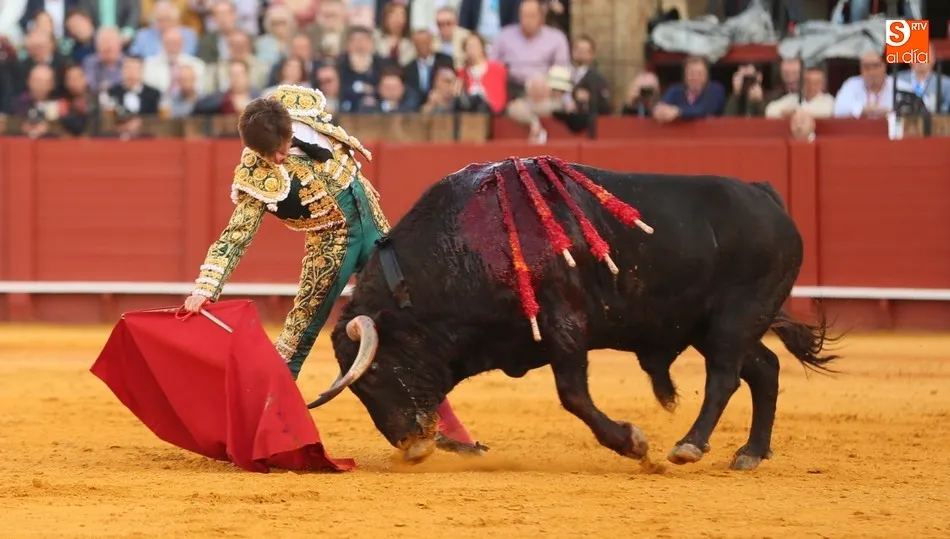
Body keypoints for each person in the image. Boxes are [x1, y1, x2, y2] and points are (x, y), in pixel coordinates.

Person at [182, 85, 479, 448]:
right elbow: (235, 236)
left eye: (279, 148)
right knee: (296, 339)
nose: (277, 159)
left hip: (376, 232)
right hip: (331, 247)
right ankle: (257, 435)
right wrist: (205, 288)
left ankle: (447, 429)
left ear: (289, 129)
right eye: (267, 154)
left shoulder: (301, 110)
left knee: (410, 325)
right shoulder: (258, 171)